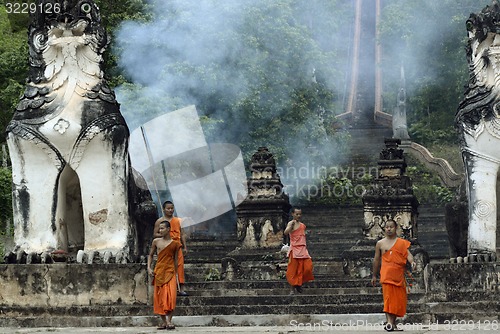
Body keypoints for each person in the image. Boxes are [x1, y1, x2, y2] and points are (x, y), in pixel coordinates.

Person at [371, 219, 416, 332]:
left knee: (397, 300)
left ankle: (393, 323)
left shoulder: (401, 242)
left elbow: (408, 255)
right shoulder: (380, 243)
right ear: (384, 229)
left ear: (396, 228)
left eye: (391, 227)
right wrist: (374, 275)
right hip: (386, 274)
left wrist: (412, 262)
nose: (389, 229)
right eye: (387, 227)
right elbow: (376, 260)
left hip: (398, 274)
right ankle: (389, 323)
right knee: (388, 299)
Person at [147, 221, 182, 330]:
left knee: (171, 297)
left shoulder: (175, 244)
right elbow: (151, 255)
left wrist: (176, 273)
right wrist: (149, 267)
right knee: (159, 298)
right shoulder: (156, 242)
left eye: (162, 228)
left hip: (170, 271)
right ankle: (164, 321)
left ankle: (169, 321)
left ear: (168, 229)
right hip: (159, 272)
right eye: (159, 229)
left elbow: (176, 259)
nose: (160, 231)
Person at [154, 200, 189, 296]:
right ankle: (168, 288)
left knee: (180, 266)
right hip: (165, 246)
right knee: (167, 267)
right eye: (168, 208)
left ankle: (181, 288)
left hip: (177, 246)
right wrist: (165, 234)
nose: (170, 210)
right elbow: (155, 234)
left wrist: (185, 247)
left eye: (172, 208)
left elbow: (182, 234)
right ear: (164, 209)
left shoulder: (178, 221)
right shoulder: (160, 221)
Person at [284, 207, 314, 295]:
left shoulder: (302, 225)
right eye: (296, 214)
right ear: (292, 214)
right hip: (295, 250)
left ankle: (299, 284)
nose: (298, 216)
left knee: (308, 268)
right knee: (293, 270)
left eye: (300, 214)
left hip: (303, 250)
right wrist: (291, 227)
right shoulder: (291, 223)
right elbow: (286, 232)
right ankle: (292, 289)